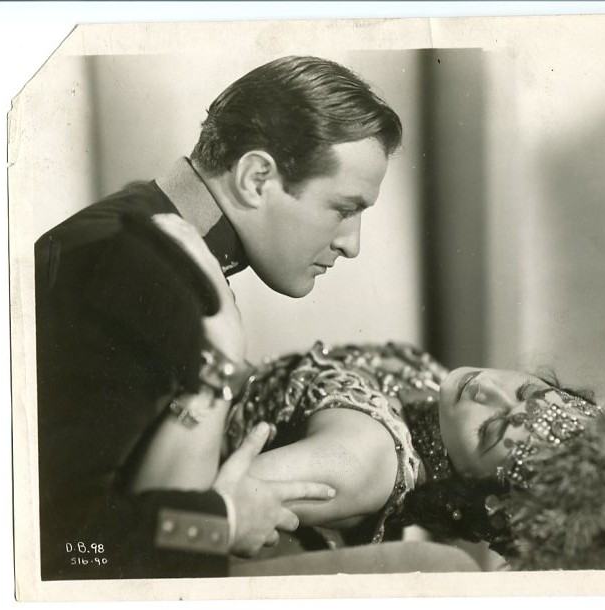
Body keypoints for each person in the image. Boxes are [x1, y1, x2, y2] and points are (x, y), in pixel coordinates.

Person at [33, 55, 403, 580]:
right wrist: (220, 525)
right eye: (344, 209)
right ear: (256, 178)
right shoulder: (135, 272)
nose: (352, 244)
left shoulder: (148, 232)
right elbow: (59, 544)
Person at [134, 340, 605, 572]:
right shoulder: (432, 397)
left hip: (132, 436)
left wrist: (214, 362)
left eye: (493, 430)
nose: (489, 390)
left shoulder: (371, 461)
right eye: (527, 390)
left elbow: (172, 523)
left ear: (484, 497)